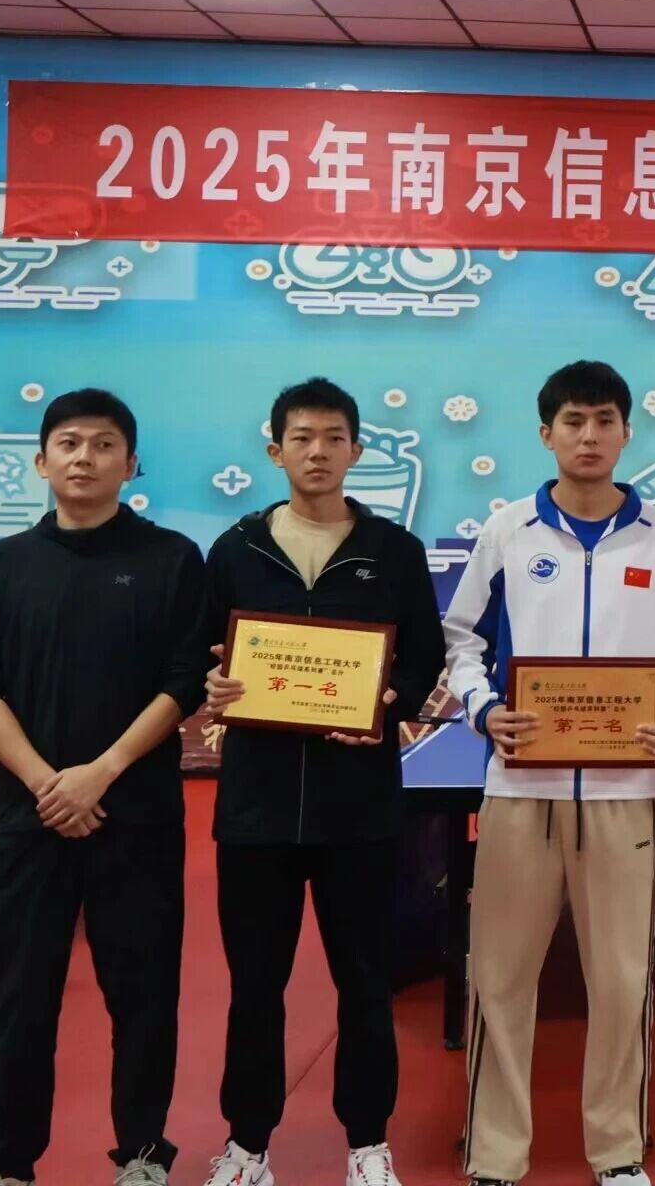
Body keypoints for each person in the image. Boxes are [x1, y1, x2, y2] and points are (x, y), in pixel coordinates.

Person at [441, 361, 655, 1186]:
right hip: (519, 788)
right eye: (572, 421)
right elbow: (463, 640)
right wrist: (485, 710)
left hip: (628, 792)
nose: (588, 436)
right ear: (546, 434)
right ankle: (495, 1155)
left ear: (627, 431)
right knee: (498, 978)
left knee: (624, 981)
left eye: (603, 421)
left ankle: (618, 1152)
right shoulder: (508, 531)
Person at [0, 389, 211, 1186]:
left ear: (131, 465)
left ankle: (143, 1153)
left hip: (136, 817)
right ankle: (5, 1161)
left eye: (103, 445)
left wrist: (100, 772)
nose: (85, 458)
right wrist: (44, 782)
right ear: (42, 461)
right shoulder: (1, 567)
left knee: (143, 995)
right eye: (68, 443)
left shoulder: (173, 559)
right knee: (18, 996)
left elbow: (184, 681)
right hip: (28, 820)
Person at [194, 379, 449, 1186]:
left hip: (360, 812)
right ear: (276, 450)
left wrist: (389, 700)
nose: (317, 451)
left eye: (333, 437)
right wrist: (214, 685)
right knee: (254, 990)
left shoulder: (393, 550)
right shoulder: (236, 549)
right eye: (301, 437)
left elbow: (424, 657)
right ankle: (247, 1146)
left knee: (366, 987)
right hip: (256, 811)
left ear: (355, 450)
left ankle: (368, 1144)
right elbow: (202, 654)